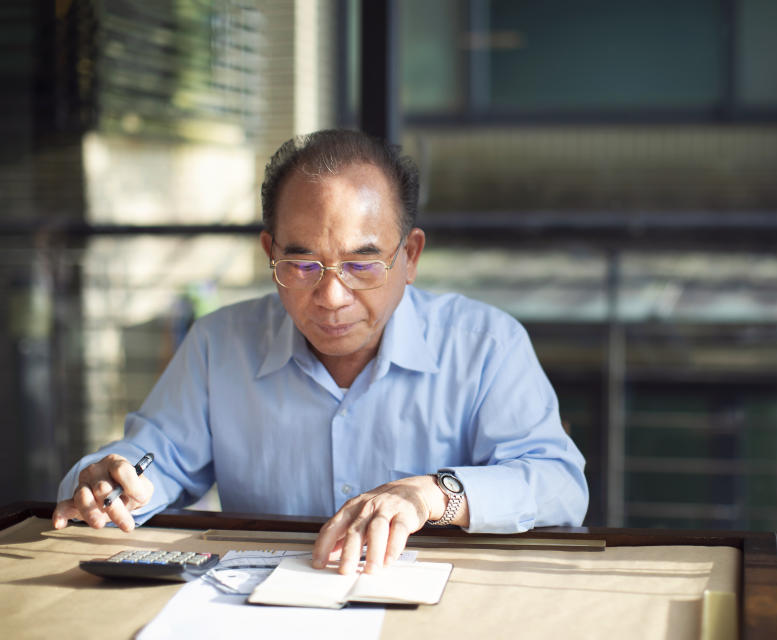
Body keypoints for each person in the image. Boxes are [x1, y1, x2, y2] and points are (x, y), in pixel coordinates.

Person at [52, 129, 588, 575]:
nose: (331, 298)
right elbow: (155, 459)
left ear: (411, 255)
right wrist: (113, 485)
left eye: (361, 264)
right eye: (302, 264)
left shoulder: (486, 345)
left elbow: (560, 488)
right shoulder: (220, 344)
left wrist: (433, 494)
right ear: (270, 253)